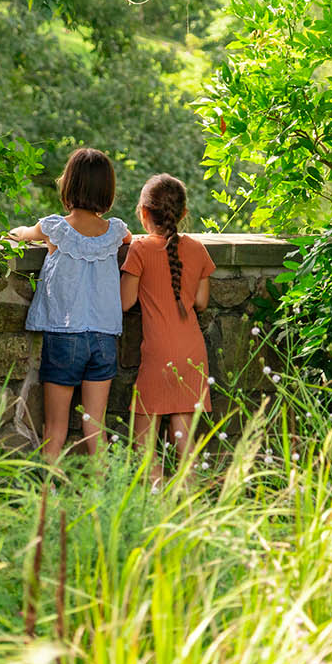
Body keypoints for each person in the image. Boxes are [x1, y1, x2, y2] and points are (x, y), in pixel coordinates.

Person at [9, 147, 130, 461]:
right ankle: (106, 499)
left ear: (69, 186)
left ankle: (47, 499)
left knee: (55, 429)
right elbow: (134, 240)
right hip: (104, 338)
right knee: (96, 428)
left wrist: (16, 232)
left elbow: (23, 234)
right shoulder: (115, 231)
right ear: (107, 190)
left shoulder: (54, 228)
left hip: (65, 336)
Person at [120, 173, 214, 483]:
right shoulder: (198, 249)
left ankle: (157, 507)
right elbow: (201, 301)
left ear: (143, 213)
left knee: (143, 447)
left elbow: (124, 302)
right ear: (184, 214)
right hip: (192, 353)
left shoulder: (141, 249)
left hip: (158, 354)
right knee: (185, 446)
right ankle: (190, 510)